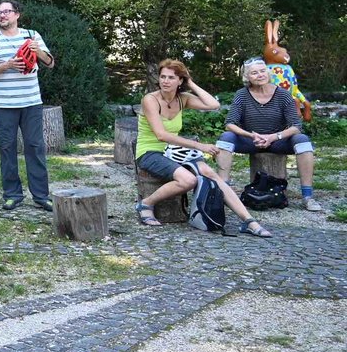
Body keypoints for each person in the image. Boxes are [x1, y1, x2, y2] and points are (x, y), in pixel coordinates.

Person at [134, 59, 271, 237]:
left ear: (180, 80)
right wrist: (200, 146)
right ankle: (146, 203)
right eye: (163, 77)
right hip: (149, 152)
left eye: (171, 77)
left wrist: (190, 83)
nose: (165, 81)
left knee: (210, 173)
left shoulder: (182, 98)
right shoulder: (150, 99)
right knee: (188, 180)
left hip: (174, 151)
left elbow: (213, 105)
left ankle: (249, 221)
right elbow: (161, 135)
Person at [0, 0, 55, 211]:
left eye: (7, 11)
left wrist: (38, 51)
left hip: (31, 102)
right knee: (7, 148)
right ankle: (12, 195)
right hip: (3, 104)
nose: (2, 15)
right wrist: (7, 65)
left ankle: (41, 196)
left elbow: (50, 63)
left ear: (17, 14)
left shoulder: (32, 35)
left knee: (35, 147)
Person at [215, 58, 320, 212]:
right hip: (251, 141)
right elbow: (230, 123)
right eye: (254, 73)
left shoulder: (283, 94)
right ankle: (223, 193)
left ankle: (308, 197)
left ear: (268, 73)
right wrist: (251, 135)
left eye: (262, 71)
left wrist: (273, 137)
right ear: (247, 77)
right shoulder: (242, 94)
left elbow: (296, 126)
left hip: (278, 141)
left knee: (302, 140)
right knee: (226, 138)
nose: (260, 75)